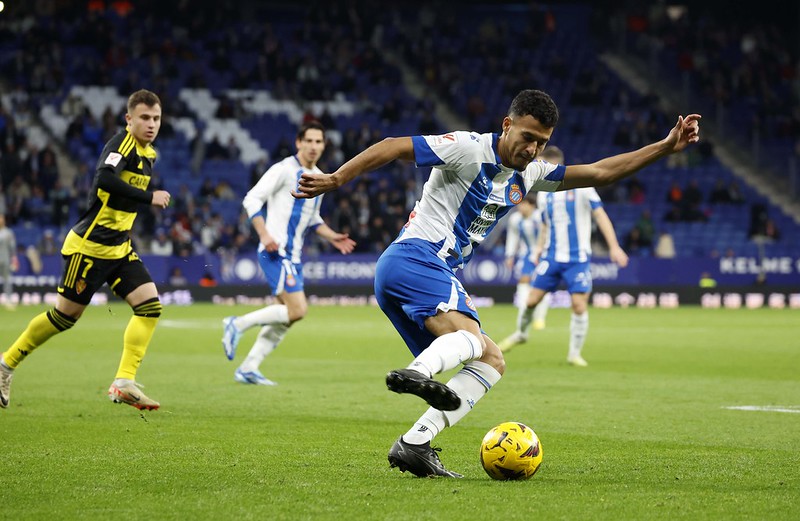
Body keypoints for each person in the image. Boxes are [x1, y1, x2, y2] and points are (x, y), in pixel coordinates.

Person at [292, 89, 700, 478]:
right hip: (418, 258)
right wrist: (336, 179)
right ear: (507, 125)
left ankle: (415, 443)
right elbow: (394, 144)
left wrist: (664, 147)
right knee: (474, 340)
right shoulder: (469, 147)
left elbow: (600, 172)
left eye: (541, 142)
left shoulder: (532, 174)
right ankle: (418, 372)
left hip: (415, 272)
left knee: (491, 359)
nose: (532, 149)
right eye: (527, 137)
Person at [0, 90, 170, 411]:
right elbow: (104, 179)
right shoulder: (121, 145)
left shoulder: (151, 155)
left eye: (156, 118)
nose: (151, 124)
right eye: (144, 118)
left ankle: (124, 382)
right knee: (64, 318)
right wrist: (148, 197)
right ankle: (5, 365)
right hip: (89, 248)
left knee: (149, 307)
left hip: (119, 248)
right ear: (128, 119)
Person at [221, 121, 356, 386]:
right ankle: (236, 324)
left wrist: (333, 237)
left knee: (286, 316)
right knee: (298, 310)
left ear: (324, 145)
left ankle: (249, 368)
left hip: (294, 258)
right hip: (275, 250)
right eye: (310, 141)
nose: (314, 146)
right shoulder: (283, 170)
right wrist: (264, 234)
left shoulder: (320, 178)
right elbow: (251, 199)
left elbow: (313, 219)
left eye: (319, 142)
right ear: (299, 143)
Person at [497, 146, 630, 366]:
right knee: (531, 300)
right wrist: (539, 248)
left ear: (552, 165)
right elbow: (546, 225)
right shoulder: (544, 193)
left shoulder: (583, 188)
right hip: (551, 257)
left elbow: (601, 215)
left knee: (579, 305)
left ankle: (574, 354)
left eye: (540, 162)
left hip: (577, 259)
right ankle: (521, 334)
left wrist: (614, 246)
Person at [504, 192, 550, 330]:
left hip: (543, 254)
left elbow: (548, 233)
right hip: (525, 255)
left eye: (524, 204)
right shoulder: (515, 219)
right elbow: (512, 237)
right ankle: (524, 312)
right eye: (520, 204)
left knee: (540, 286)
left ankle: (540, 318)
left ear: (531, 205)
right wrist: (510, 255)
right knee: (524, 281)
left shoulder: (539, 216)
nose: (521, 207)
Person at [0, 214, 18, 309]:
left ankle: (8, 300)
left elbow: (12, 247)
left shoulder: (8, 232)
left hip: (5, 259)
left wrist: (14, 259)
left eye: (1, 218)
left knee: (7, 280)